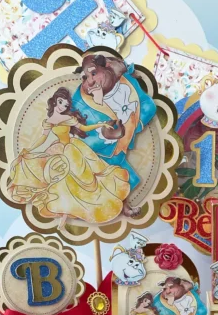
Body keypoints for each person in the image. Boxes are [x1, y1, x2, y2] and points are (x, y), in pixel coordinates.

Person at [7, 87, 131, 225]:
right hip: (58, 150)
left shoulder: (67, 118)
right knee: (61, 181)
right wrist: (30, 149)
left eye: (65, 105)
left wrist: (101, 124)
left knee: (86, 179)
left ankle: (96, 202)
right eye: (60, 102)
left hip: (72, 149)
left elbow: (84, 128)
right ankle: (66, 211)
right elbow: (43, 138)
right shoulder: (49, 122)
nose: (62, 106)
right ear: (55, 100)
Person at [72, 54, 158, 216]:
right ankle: (105, 209)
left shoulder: (127, 83)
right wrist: (106, 136)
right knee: (113, 179)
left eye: (94, 73)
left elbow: (148, 105)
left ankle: (118, 207)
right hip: (99, 155)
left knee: (124, 179)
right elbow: (81, 139)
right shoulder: (79, 103)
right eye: (85, 77)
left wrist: (132, 126)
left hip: (121, 149)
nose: (91, 81)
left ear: (107, 67)